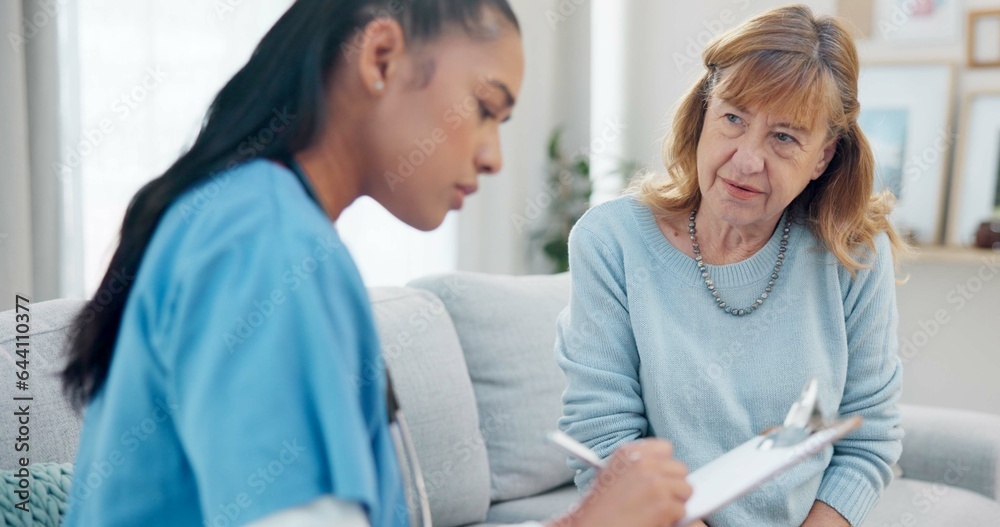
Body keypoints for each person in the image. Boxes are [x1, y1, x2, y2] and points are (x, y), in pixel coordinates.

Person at [59, 1, 694, 526]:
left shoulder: (252, 218)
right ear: (380, 57)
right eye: (484, 108)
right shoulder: (264, 241)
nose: (495, 156)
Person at [555, 5, 907, 527]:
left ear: (823, 157)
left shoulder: (852, 255)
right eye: (733, 118)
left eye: (784, 137)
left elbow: (868, 439)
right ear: (703, 114)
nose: (746, 159)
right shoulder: (612, 242)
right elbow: (603, 435)